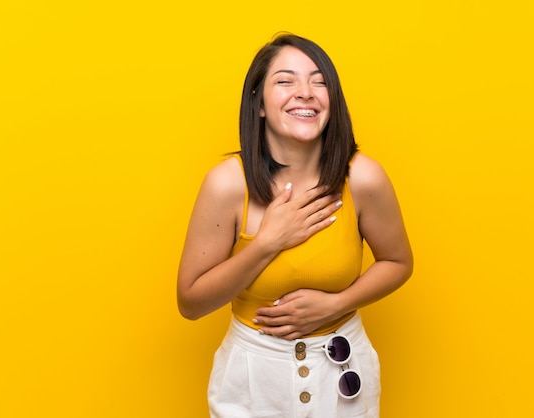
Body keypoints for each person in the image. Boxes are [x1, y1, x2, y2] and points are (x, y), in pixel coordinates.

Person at [177, 33, 413, 417]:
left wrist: (336, 304)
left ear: (331, 102)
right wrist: (268, 242)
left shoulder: (364, 178)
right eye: (285, 81)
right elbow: (190, 303)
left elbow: (398, 262)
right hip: (253, 376)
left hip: (342, 370)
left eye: (319, 81)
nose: (305, 91)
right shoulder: (226, 184)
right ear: (259, 105)